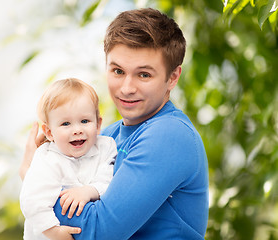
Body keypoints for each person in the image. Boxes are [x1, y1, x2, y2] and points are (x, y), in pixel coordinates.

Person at [20, 8, 209, 240]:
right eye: (118, 71)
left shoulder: (169, 135)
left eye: (144, 75)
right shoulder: (105, 137)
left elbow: (100, 231)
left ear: (172, 77)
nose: (127, 88)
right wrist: (47, 168)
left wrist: (34, 179)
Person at [19, 78, 117, 240]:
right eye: (66, 124)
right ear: (49, 132)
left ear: (98, 124)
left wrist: (89, 191)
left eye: (85, 121)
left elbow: (111, 180)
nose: (77, 130)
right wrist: (53, 232)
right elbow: (32, 200)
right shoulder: (47, 159)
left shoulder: (106, 147)